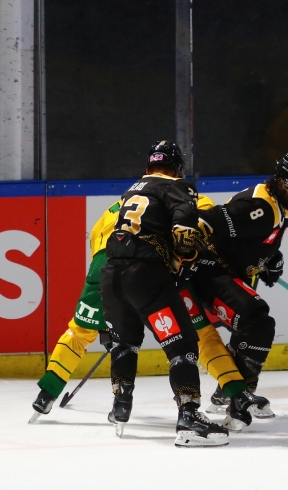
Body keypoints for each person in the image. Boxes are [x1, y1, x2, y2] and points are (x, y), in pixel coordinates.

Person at [99, 140, 229, 447]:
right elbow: (184, 236)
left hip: (112, 277)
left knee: (124, 344)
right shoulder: (178, 186)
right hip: (146, 278)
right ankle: (189, 416)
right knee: (181, 344)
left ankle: (121, 403)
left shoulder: (132, 189)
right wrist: (190, 257)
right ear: (177, 167)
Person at [192, 152, 288, 431]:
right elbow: (209, 219)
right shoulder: (261, 205)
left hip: (226, 272)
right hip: (211, 273)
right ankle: (239, 398)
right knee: (257, 322)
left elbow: (248, 235)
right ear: (283, 182)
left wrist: (269, 257)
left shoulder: (275, 202)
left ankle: (227, 391)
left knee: (250, 325)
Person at [30, 200, 121, 421]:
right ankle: (122, 401)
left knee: (78, 333)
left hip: (101, 268)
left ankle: (47, 393)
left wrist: (102, 324)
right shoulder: (166, 201)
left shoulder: (113, 208)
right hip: (142, 268)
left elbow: (97, 249)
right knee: (179, 335)